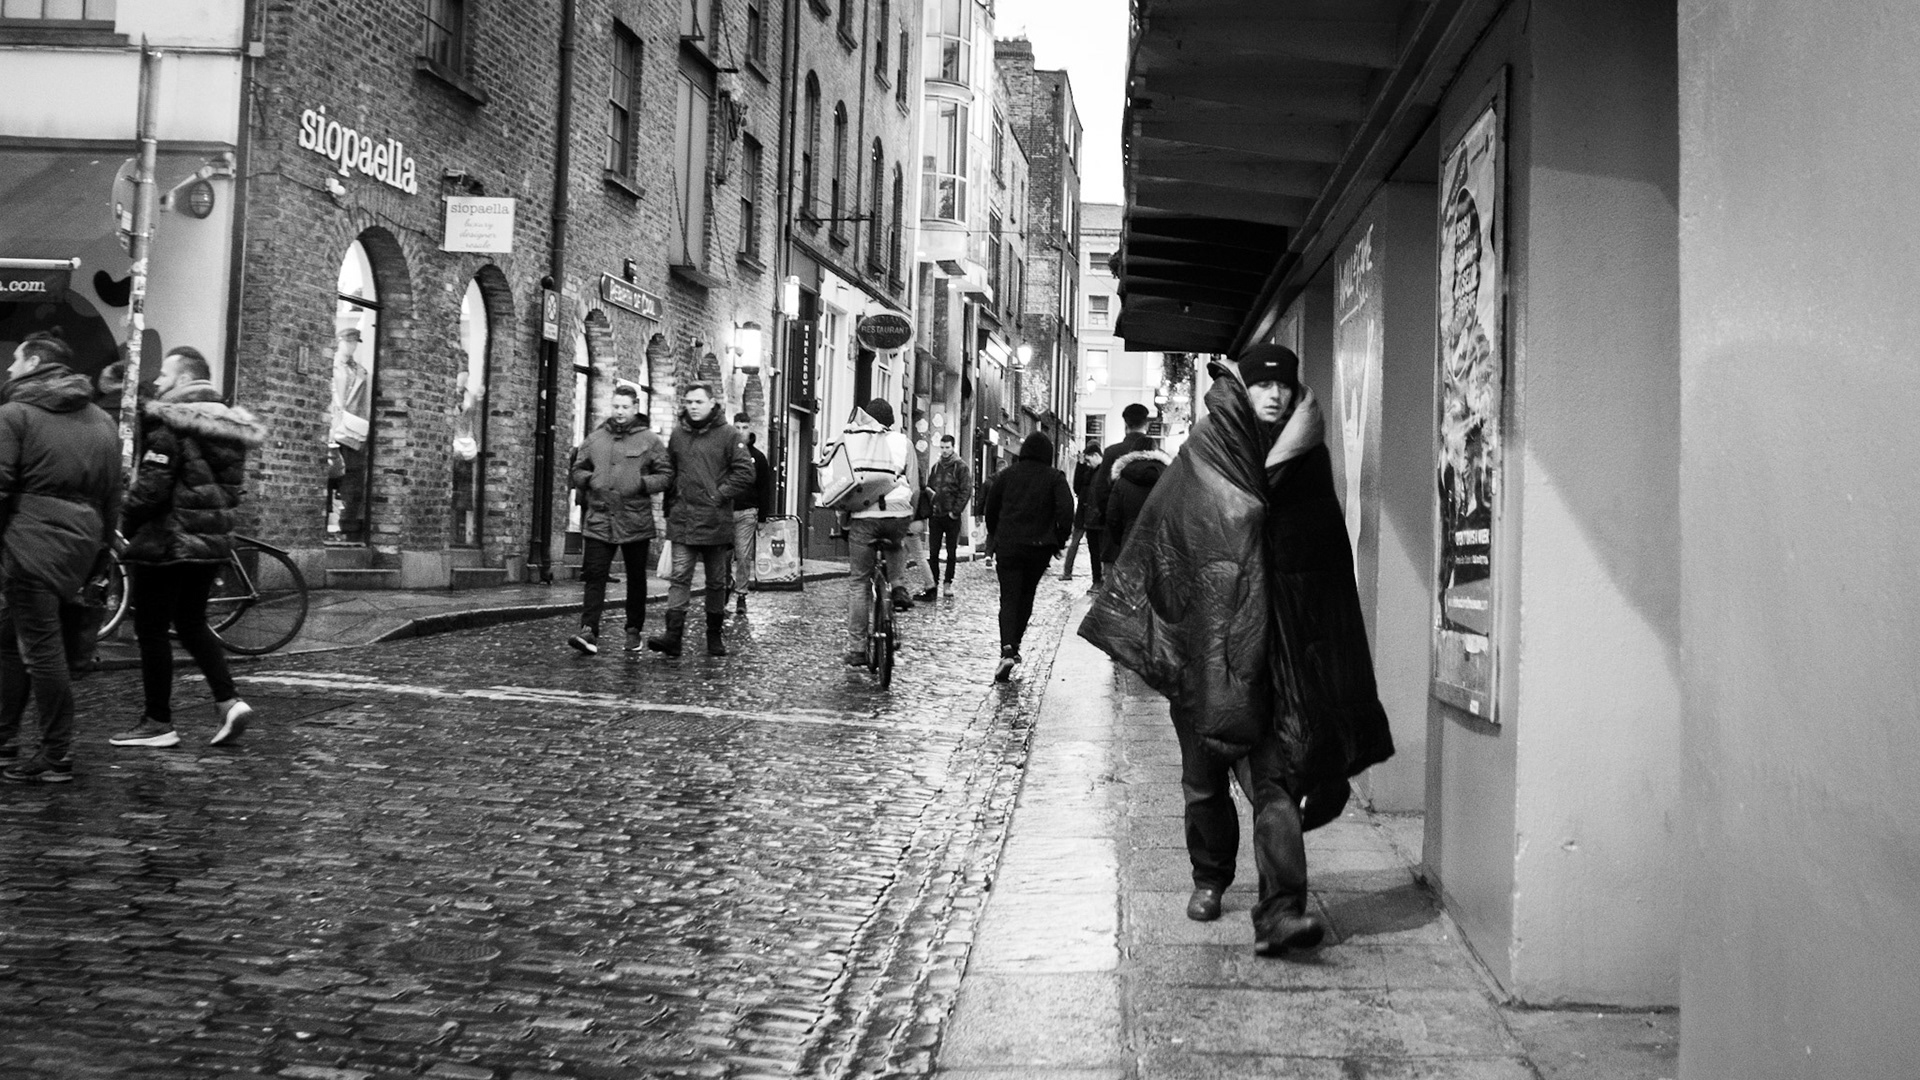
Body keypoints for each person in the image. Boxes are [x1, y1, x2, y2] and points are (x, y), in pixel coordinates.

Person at [1080, 343, 1393, 959]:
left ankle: (1280, 911)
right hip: (1206, 646)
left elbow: (1323, 562)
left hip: (1274, 652)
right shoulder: (1206, 453)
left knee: (1272, 780)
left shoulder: (1306, 461)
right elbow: (1171, 541)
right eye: (1261, 386)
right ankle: (1209, 878)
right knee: (1202, 780)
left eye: (1284, 385)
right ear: (1243, 390)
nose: (1274, 395)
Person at [110, 346, 267, 751]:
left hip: (169, 541)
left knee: (150, 629)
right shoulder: (227, 428)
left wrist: (122, 525)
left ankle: (157, 721)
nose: (158, 382)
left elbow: (151, 488)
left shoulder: (171, 425)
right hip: (211, 542)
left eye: (164, 374)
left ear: (182, 379)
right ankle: (228, 701)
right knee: (193, 622)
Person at [0, 332, 123, 783]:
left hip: (28, 545)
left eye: (15, 361)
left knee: (41, 651)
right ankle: (5, 736)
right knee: (8, 640)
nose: (10, 369)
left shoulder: (15, 415)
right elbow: (114, 497)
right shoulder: (100, 421)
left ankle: (55, 754)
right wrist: (101, 554)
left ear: (33, 362)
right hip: (79, 544)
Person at [648, 384, 753, 658]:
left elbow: (745, 472)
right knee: (679, 577)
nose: (692, 406)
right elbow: (669, 470)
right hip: (683, 520)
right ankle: (673, 637)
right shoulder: (679, 435)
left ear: (711, 403)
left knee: (716, 581)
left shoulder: (728, 435)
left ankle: (714, 636)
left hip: (715, 522)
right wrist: (669, 500)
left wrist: (719, 495)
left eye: (698, 401)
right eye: (689, 401)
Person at [568, 383, 671, 655]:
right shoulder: (595, 438)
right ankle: (588, 630)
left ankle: (633, 630)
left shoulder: (649, 440)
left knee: (636, 578)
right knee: (594, 576)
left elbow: (666, 474)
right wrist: (589, 479)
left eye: (625, 407)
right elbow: (577, 469)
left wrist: (641, 483)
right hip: (600, 518)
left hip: (635, 519)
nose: (620, 412)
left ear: (635, 408)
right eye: (616, 406)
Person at [982, 431, 1073, 681]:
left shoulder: (1007, 475)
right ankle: (1016, 645)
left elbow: (992, 507)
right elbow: (1066, 511)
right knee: (1026, 595)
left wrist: (996, 534)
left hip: (1009, 544)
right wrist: (1059, 540)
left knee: (1009, 597)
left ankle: (1007, 648)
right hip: (1039, 547)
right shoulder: (1054, 477)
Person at [840, 398, 915, 667]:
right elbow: (914, 487)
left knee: (859, 582)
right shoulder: (903, 442)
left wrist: (844, 519)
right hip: (897, 513)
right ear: (892, 421)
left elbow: (843, 483)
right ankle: (898, 586)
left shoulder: (853, 440)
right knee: (896, 541)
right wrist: (910, 517)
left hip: (864, 517)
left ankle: (857, 649)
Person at [1088, 402, 1155, 584]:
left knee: (1113, 590)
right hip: (1149, 536)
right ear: (1146, 424)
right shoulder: (1157, 454)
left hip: (1115, 535)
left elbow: (1101, 491)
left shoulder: (1112, 453)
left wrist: (1110, 518)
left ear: (1125, 424)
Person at [727, 412, 774, 616]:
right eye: (737, 427)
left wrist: (763, 517)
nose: (741, 432)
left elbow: (765, 488)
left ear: (750, 429)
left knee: (743, 555)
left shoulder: (758, 458)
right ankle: (725, 584)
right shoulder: (725, 455)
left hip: (747, 512)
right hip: (725, 512)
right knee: (723, 556)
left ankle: (741, 595)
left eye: (744, 427)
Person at [328, 327, 371, 541]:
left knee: (352, 480)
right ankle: (327, 523)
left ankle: (347, 526)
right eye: (348, 342)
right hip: (334, 429)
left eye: (354, 342)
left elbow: (363, 406)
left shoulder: (361, 372)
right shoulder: (330, 368)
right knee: (330, 476)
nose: (351, 346)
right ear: (339, 342)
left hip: (352, 432)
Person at [1103, 443, 1172, 558]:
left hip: (1130, 540)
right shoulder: (1170, 479)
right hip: (1161, 544)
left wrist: (1120, 538)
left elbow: (1112, 516)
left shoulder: (1122, 481)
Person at [923, 433, 971, 595]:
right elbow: (928, 486)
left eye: (947, 447)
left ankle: (948, 582)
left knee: (951, 551)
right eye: (942, 447)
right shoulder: (936, 467)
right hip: (936, 515)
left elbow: (965, 491)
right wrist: (931, 501)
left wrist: (955, 512)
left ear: (953, 447)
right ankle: (933, 582)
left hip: (951, 517)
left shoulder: (960, 467)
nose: (944, 451)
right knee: (933, 552)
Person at [1059, 443, 1101, 581]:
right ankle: (1067, 572)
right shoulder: (1088, 470)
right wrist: (1081, 465)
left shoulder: (1101, 471)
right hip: (1084, 511)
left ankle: (1096, 575)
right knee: (1076, 543)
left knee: (1094, 546)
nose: (1087, 463)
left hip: (1093, 513)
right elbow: (1077, 486)